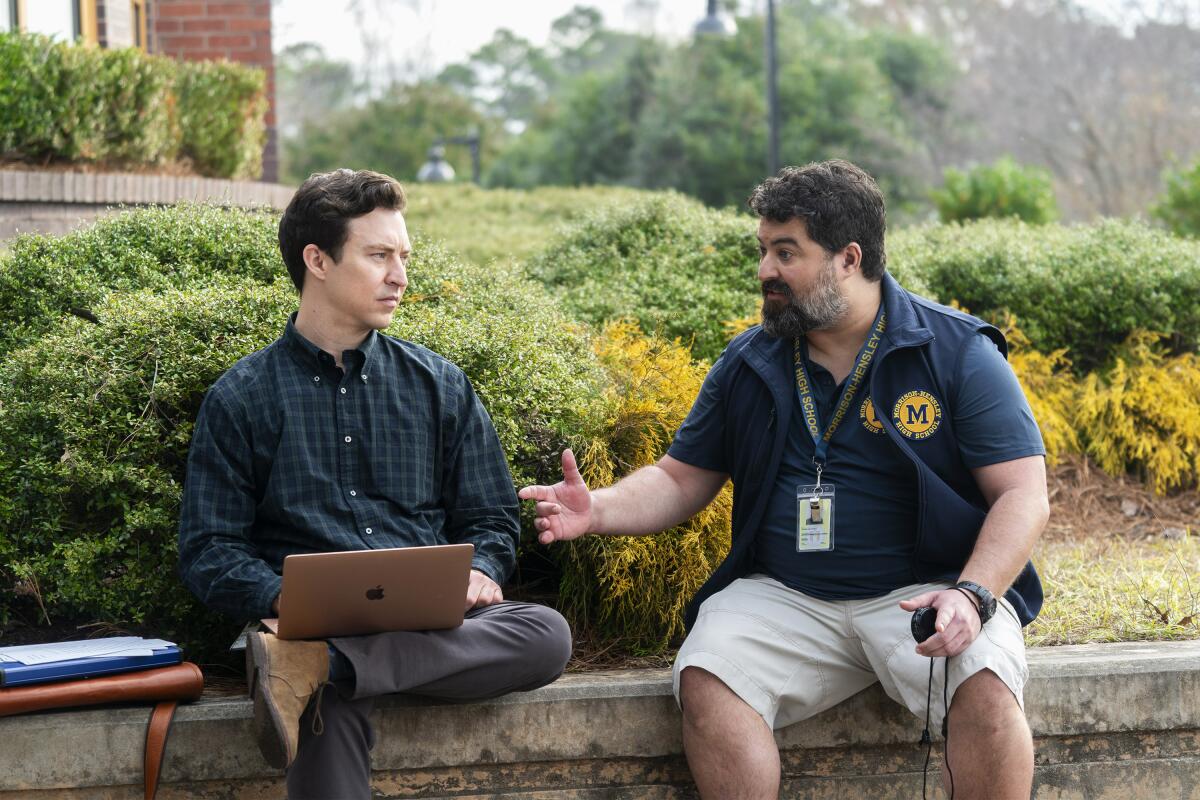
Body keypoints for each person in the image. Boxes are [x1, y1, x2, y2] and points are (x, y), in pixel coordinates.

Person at [520, 160, 1048, 799]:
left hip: (928, 593)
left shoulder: (956, 351)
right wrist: (595, 509)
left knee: (986, 686)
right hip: (788, 597)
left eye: (786, 252)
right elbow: (680, 477)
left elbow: (1023, 495)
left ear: (848, 258)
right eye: (764, 250)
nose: (765, 270)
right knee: (709, 674)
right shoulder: (751, 361)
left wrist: (973, 594)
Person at [178, 169, 572, 800]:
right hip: (309, 625)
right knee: (319, 702)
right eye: (380, 255)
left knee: (546, 635)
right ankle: (320, 662)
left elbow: (491, 516)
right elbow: (208, 549)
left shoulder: (437, 384)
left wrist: (484, 571)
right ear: (318, 260)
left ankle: (325, 667)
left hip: (428, 629)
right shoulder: (244, 397)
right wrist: (284, 599)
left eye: (404, 256)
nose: (401, 276)